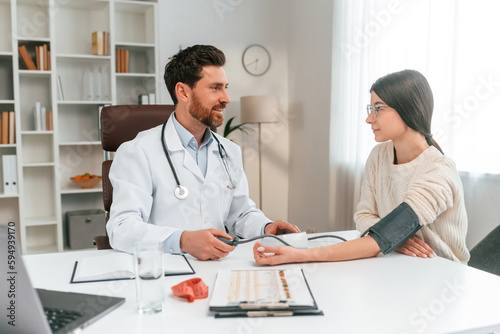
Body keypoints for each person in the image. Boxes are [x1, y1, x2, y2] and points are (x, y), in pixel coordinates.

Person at [253, 69, 469, 265]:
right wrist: (392, 237)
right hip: (396, 263)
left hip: (440, 271)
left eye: (378, 109)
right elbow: (363, 216)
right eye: (370, 108)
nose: (368, 119)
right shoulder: (379, 155)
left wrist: (301, 256)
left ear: (408, 109)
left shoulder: (438, 171)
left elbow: (389, 230)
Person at [107, 45, 299, 260]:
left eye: (225, 87)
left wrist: (266, 227)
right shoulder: (138, 151)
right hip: (165, 269)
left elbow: (241, 214)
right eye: (215, 88)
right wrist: (183, 240)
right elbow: (121, 227)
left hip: (218, 266)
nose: (226, 98)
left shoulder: (229, 151)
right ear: (183, 92)